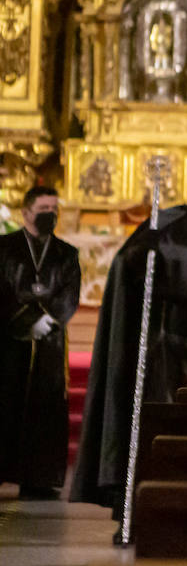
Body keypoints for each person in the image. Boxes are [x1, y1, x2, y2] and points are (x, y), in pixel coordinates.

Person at [71, 162, 187, 514]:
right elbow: (127, 277)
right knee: (159, 426)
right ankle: (141, 504)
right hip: (168, 345)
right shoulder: (164, 226)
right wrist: (139, 255)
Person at [0, 187, 82, 498]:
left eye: (54, 207)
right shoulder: (5, 248)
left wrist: (49, 319)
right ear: (26, 212)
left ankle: (39, 478)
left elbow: (70, 293)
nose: (51, 213)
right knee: (7, 401)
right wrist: (26, 319)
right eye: (44, 207)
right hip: (10, 338)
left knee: (46, 408)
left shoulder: (66, 253)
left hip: (50, 341)